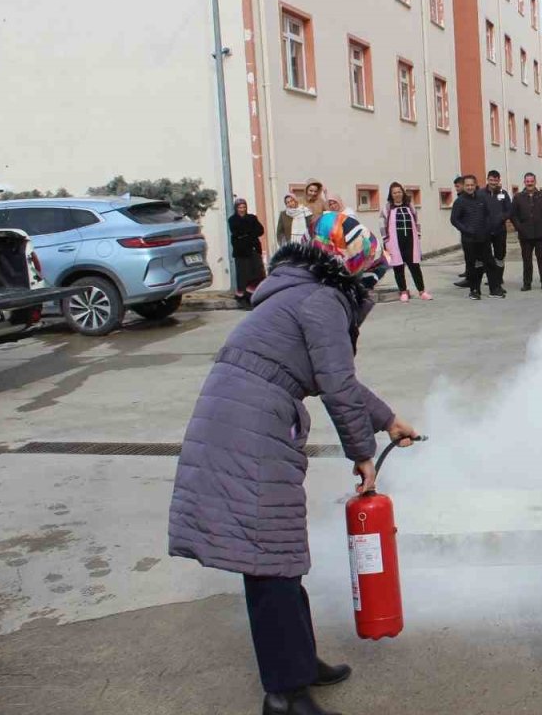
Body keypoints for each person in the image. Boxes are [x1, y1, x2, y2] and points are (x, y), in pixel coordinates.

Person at [169, 210, 420, 715]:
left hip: (242, 416)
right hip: (250, 425)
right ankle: (284, 694)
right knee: (268, 558)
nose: (371, 284)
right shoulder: (324, 299)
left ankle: (299, 664)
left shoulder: (300, 291)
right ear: (351, 269)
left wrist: (387, 419)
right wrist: (364, 456)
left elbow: (335, 379)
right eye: (369, 273)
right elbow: (336, 386)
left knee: (276, 554)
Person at [451, 175, 506, 300]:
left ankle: (494, 289)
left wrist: (487, 229)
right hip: (469, 240)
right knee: (473, 266)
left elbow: (488, 215)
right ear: (464, 186)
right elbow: (454, 220)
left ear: (476, 185)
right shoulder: (459, 202)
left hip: (483, 238)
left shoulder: (482, 198)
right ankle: (474, 290)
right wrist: (466, 230)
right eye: (467, 185)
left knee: (490, 264)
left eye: (472, 185)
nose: (470, 187)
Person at [381, 182, 431, 302]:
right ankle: (403, 292)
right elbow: (381, 223)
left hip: (410, 241)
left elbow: (417, 221)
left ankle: (422, 291)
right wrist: (385, 239)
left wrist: (418, 235)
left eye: (399, 192)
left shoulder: (410, 206)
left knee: (415, 267)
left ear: (402, 193)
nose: (397, 194)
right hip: (394, 242)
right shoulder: (387, 208)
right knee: (398, 267)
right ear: (391, 194)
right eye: (394, 192)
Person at [510, 172, 542, 291]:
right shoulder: (518, 197)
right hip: (525, 235)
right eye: (527, 181)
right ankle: (527, 283)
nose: (529, 183)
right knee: (527, 261)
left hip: (540, 234)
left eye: (531, 181)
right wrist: (519, 227)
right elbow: (513, 215)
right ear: (524, 182)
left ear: (535, 182)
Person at [228, 198, 266, 308]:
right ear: (236, 208)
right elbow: (237, 232)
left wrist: (246, 234)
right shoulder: (232, 219)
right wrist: (249, 232)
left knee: (256, 274)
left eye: (244, 207)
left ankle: (255, 298)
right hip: (241, 252)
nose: (242, 209)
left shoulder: (252, 218)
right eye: (240, 207)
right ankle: (243, 300)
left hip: (253, 250)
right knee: (243, 276)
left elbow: (260, 230)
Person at [485, 170, 511, 292]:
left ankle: (498, 279)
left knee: (500, 256)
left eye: (496, 180)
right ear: (487, 179)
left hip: (500, 231)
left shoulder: (503, 194)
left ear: (499, 180)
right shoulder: (481, 193)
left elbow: (509, 210)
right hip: (485, 231)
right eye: (491, 180)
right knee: (487, 257)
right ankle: (492, 279)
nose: (493, 182)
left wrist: (502, 218)